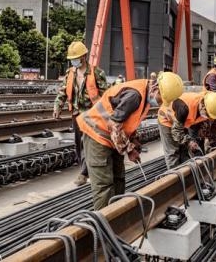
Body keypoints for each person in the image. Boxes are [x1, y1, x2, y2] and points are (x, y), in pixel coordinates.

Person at [77, 72, 183, 210]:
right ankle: (104, 225)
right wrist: (129, 150)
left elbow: (127, 121)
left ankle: (117, 214)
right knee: (104, 186)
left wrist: (134, 139)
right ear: (156, 88)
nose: (160, 103)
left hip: (112, 138)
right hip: (97, 134)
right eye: (161, 99)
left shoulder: (145, 95)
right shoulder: (135, 96)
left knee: (119, 179)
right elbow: (113, 125)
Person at [53, 41, 108, 186]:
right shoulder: (70, 73)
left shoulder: (97, 73)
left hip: (92, 115)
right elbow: (63, 92)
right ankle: (85, 170)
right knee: (79, 145)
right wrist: (58, 107)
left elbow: (105, 96)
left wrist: (105, 116)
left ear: (84, 56)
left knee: (88, 144)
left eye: (76, 58)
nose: (73, 61)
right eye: (72, 59)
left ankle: (84, 173)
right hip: (77, 114)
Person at [158, 91, 216, 169]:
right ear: (203, 106)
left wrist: (210, 140)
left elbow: (204, 129)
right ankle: (174, 177)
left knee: (185, 150)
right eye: (207, 115)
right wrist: (189, 142)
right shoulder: (184, 108)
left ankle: (187, 175)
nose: (207, 117)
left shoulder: (210, 105)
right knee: (173, 152)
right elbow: (177, 132)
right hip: (167, 120)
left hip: (184, 122)